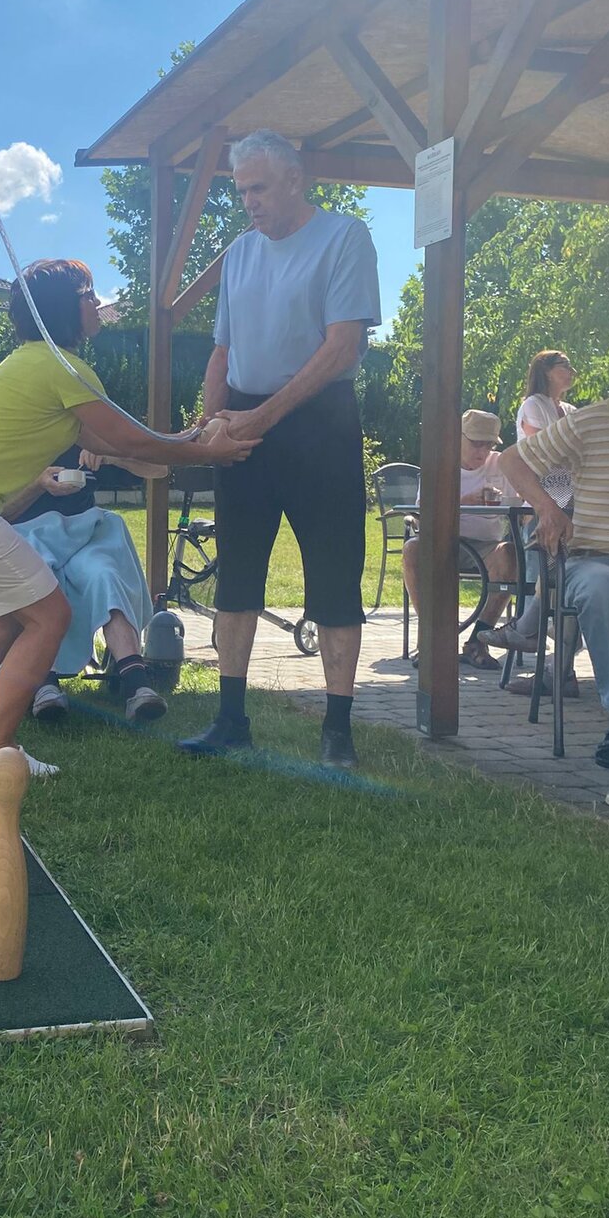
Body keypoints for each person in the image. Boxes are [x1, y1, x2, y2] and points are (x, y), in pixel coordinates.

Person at [0, 257, 257, 780]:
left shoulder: (32, 362)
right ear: (64, 308)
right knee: (50, 616)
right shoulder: (63, 368)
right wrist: (209, 453)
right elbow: (134, 442)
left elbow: (113, 440)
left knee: (6, 619)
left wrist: (191, 436)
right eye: (88, 295)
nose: (96, 303)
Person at [176, 129, 381, 769]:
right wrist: (212, 428)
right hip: (242, 425)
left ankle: (337, 730)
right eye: (242, 191)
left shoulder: (345, 237)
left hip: (321, 424)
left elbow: (342, 348)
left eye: (259, 188)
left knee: (334, 574)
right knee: (236, 575)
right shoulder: (239, 251)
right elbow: (223, 352)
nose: (249, 202)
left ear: (296, 180)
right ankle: (230, 719)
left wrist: (257, 419)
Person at [496, 331, 609, 786]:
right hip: (598, 560)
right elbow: (511, 461)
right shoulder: (588, 423)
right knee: (602, 589)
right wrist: (547, 507)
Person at [1, 443, 168, 724]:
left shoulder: (89, 434)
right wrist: (37, 486)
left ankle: (136, 685)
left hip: (84, 533)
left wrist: (111, 456)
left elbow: (159, 469)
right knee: (41, 581)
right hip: (29, 535)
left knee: (105, 575)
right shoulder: (14, 437)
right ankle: (44, 684)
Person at [479, 350, 579, 693]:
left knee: (560, 581)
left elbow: (578, 454)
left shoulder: (570, 411)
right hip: (544, 503)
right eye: (564, 365)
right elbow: (543, 452)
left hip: (571, 502)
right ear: (546, 371)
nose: (571, 370)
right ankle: (550, 659)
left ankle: (528, 634)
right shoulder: (534, 405)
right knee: (553, 581)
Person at [401, 410, 521, 669]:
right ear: (458, 437)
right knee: (413, 549)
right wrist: (463, 501)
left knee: (511, 556)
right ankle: (432, 638)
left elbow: (522, 507)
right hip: (443, 541)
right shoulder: (439, 462)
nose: (483, 451)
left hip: (488, 546)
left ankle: (478, 639)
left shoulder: (502, 464)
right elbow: (422, 516)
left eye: (489, 445)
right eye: (476, 443)